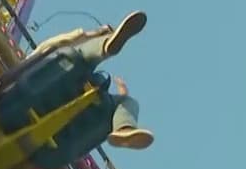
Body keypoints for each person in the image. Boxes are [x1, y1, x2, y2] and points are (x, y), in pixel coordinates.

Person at [25, 10, 155, 150]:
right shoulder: (54, 54)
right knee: (79, 56)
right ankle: (106, 45)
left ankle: (124, 129)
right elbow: (56, 43)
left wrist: (123, 95)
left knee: (126, 101)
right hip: (49, 78)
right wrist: (94, 34)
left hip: (66, 98)